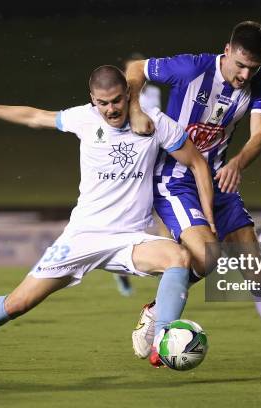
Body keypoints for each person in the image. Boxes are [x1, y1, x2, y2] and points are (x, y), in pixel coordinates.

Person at [0, 65, 215, 373]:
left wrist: (210, 222)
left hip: (129, 238)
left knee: (179, 257)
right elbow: (34, 116)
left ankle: (162, 337)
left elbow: (198, 164)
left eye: (117, 100)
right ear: (92, 99)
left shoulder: (157, 124)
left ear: (128, 94)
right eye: (102, 102)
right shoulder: (83, 118)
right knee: (17, 303)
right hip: (83, 236)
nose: (110, 109)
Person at [126, 21, 261, 377]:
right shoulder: (192, 67)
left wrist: (238, 162)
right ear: (226, 51)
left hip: (218, 180)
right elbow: (135, 69)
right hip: (174, 180)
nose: (244, 75)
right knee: (205, 255)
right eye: (239, 65)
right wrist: (135, 107)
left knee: (258, 271)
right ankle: (159, 320)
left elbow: (260, 135)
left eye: (252, 68)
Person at [113, 52, 163, 297]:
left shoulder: (153, 92)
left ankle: (168, 268)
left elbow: (157, 116)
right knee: (121, 222)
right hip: (127, 160)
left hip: (151, 155)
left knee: (163, 215)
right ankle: (121, 273)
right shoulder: (116, 94)